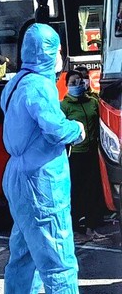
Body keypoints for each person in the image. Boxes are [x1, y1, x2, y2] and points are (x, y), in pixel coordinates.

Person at [0, 24, 86, 294]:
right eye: (59, 50)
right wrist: (77, 130)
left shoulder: (16, 82)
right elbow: (54, 127)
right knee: (58, 258)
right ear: (49, 52)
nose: (61, 56)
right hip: (41, 179)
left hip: (17, 176)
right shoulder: (40, 86)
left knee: (23, 253)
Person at [60, 69, 106, 242]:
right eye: (73, 83)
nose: (77, 85)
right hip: (75, 155)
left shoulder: (93, 102)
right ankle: (75, 230)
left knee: (93, 191)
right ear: (67, 86)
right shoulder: (64, 107)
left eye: (79, 82)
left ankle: (91, 228)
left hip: (93, 153)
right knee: (76, 192)